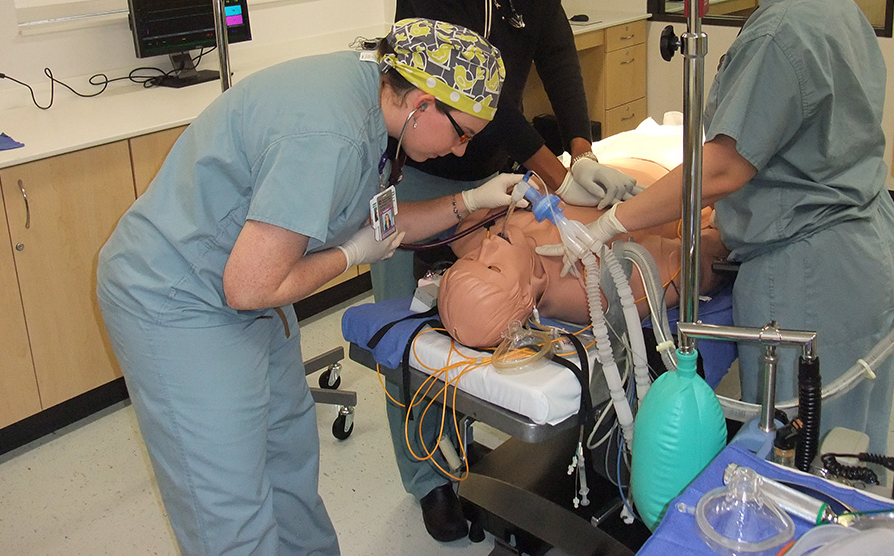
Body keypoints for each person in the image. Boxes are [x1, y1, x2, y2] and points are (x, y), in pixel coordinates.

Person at [96, 18, 519, 555]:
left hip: (249, 288)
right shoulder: (333, 134)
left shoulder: (373, 101)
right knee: (229, 509)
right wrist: (349, 256)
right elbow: (251, 286)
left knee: (289, 462)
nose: (461, 151)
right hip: (176, 298)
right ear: (422, 101)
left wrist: (473, 201)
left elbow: (378, 225)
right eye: (462, 133)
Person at [540, 0, 894, 457]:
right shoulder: (833, 9)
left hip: (812, 267)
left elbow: (721, 169)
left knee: (807, 461)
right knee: (852, 444)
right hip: (869, 242)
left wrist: (612, 223)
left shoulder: (778, 33)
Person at [376, 0, 642, 543]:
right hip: (415, 172)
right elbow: (485, 101)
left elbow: (561, 60)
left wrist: (582, 153)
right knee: (399, 331)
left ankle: (489, 440)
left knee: (496, 307)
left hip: (495, 171)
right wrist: (557, 174)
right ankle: (426, 477)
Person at [437, 163, 728, 349]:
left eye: (471, 259)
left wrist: (577, 165)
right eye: (492, 267)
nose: (486, 247)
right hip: (675, 184)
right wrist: (723, 229)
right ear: (533, 286)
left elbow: (467, 217)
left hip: (600, 170)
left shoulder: (471, 240)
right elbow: (696, 268)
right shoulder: (597, 288)